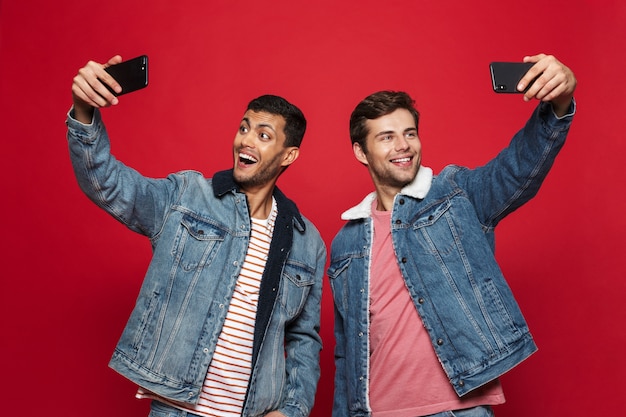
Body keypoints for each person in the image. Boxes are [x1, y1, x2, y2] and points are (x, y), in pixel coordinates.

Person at [67, 55, 326, 417]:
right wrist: (84, 111)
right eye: (244, 128)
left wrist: (292, 410)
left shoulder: (307, 241)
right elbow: (107, 183)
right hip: (177, 409)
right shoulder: (187, 196)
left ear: (289, 155)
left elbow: (304, 339)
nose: (246, 141)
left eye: (263, 135)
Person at [327, 53, 576, 417]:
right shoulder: (346, 243)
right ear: (360, 152)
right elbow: (347, 349)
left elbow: (517, 169)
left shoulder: (457, 195)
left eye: (409, 133)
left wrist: (559, 103)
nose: (403, 146)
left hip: (458, 410)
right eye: (387, 137)